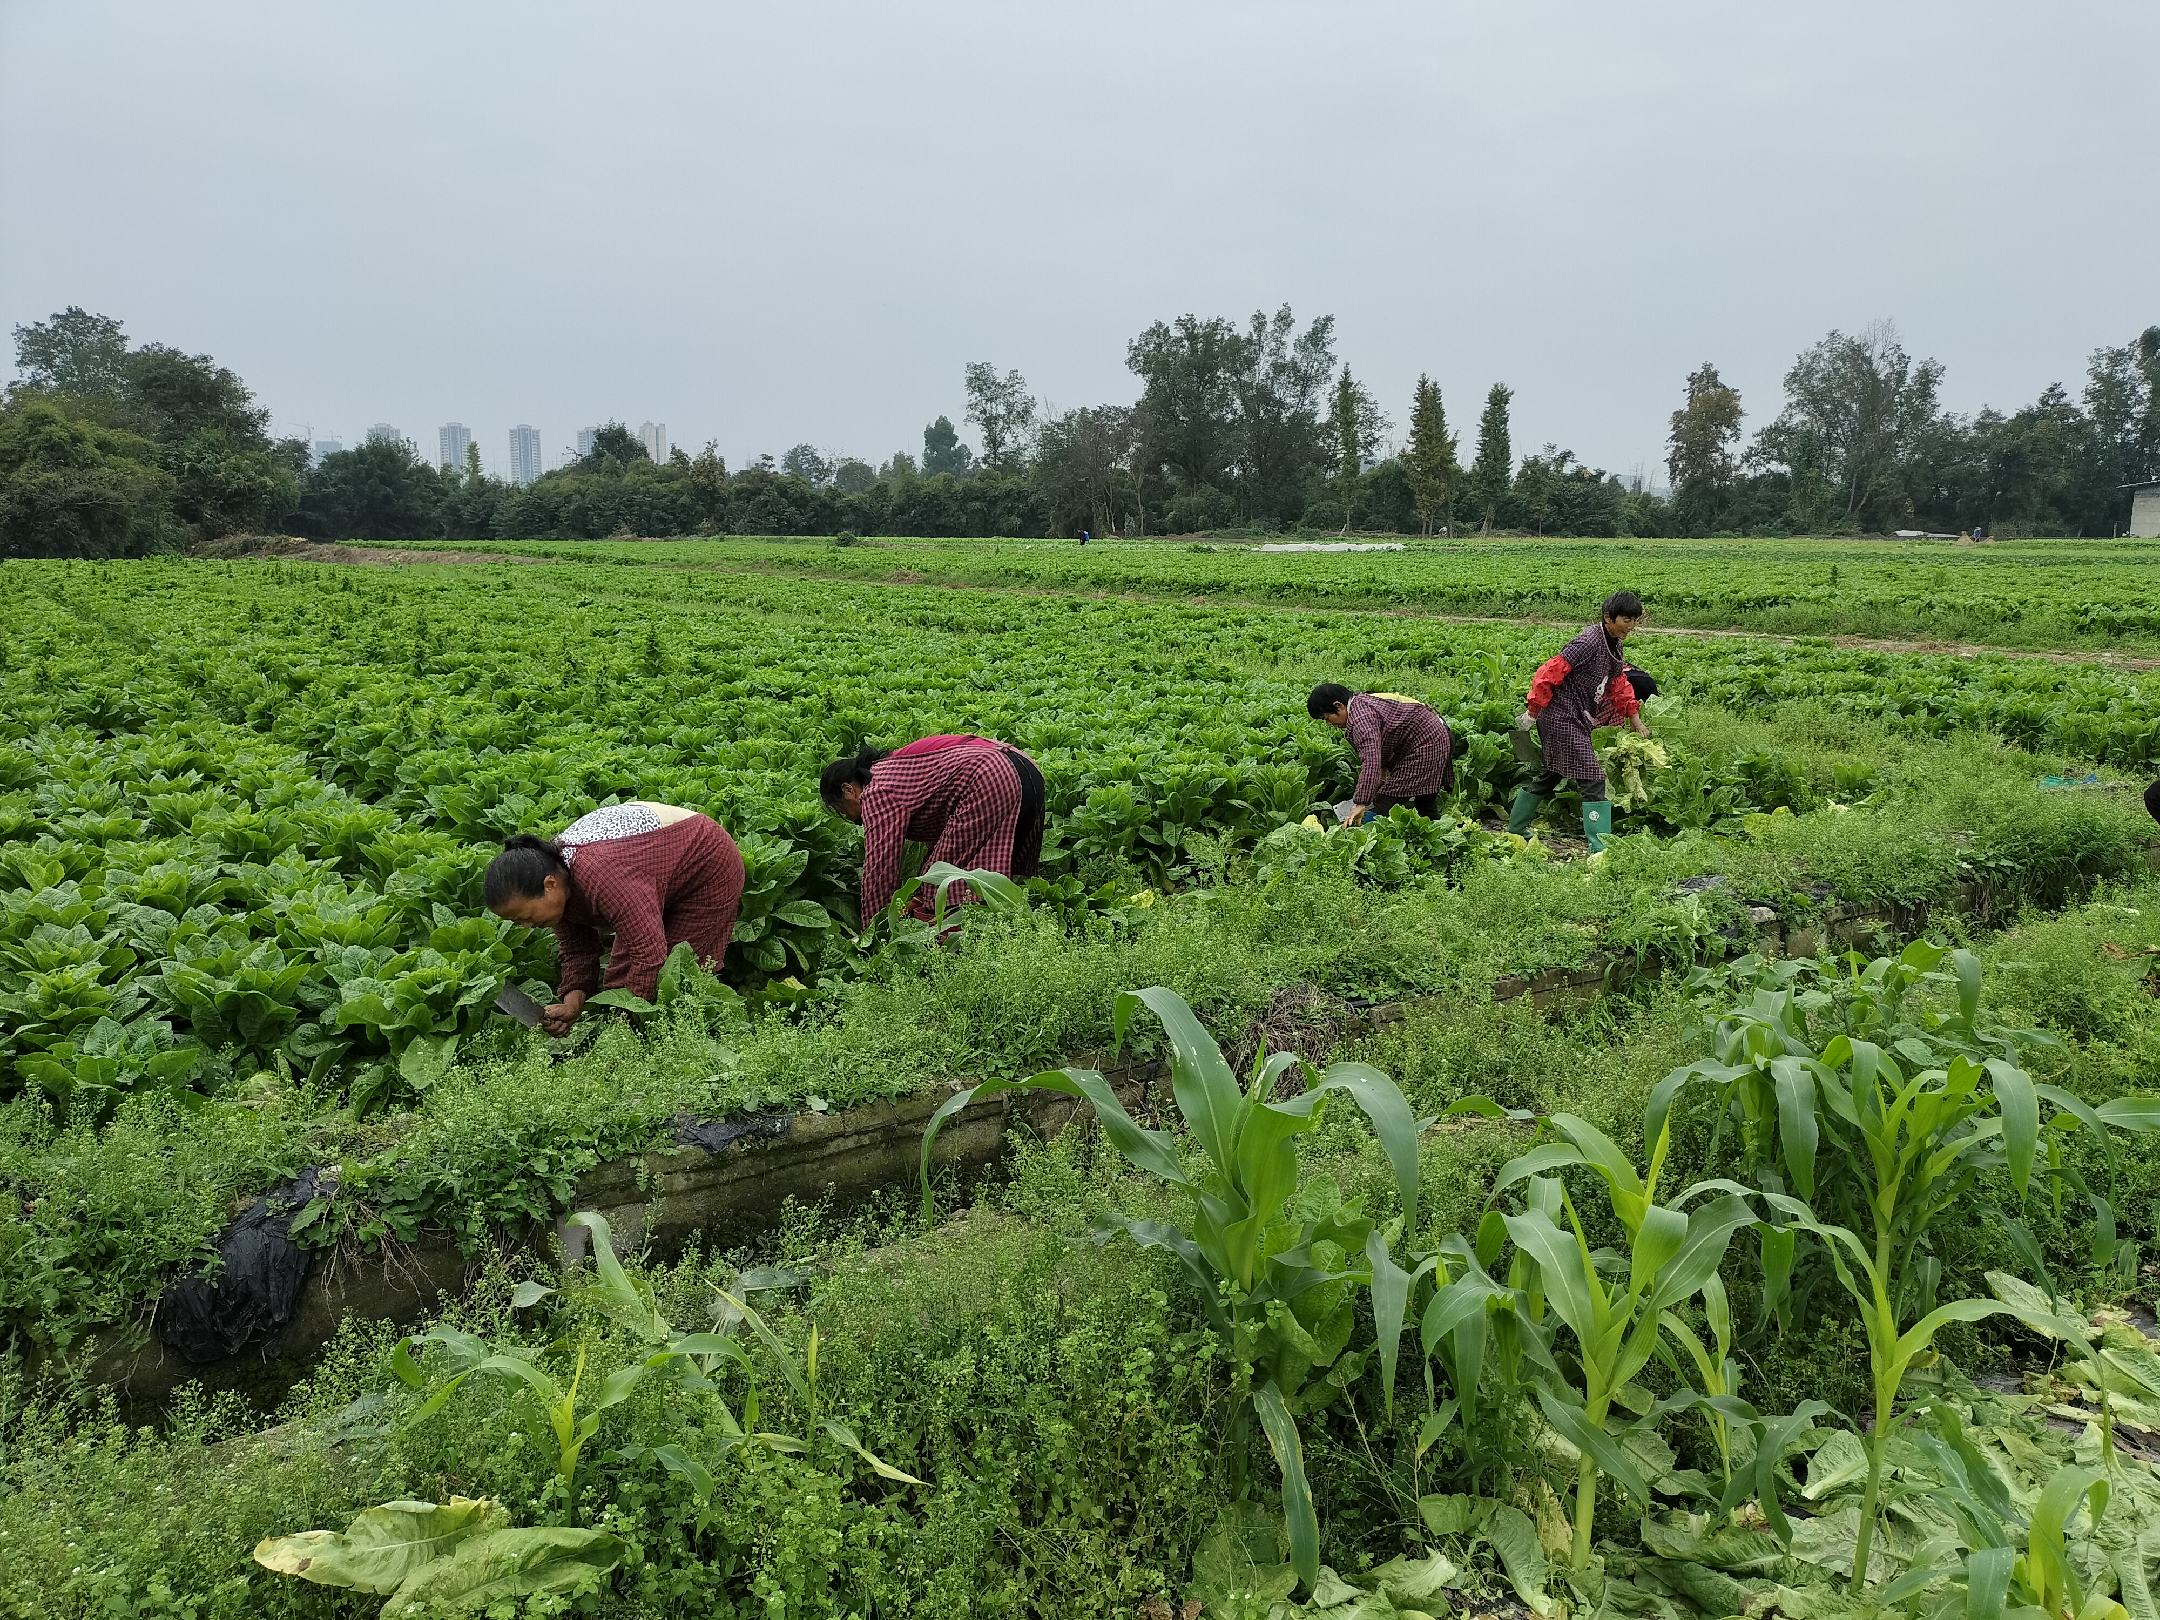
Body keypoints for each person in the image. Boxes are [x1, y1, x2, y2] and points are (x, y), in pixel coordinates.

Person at [484, 802, 744, 1035]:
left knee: (679, 975)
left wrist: (627, 1022)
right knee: (619, 979)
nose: (528, 926)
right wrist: (572, 1004)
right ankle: (634, 1035)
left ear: (549, 884)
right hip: (653, 874)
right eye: (518, 923)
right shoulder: (558, 877)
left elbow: (648, 955)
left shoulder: (602, 877)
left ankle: (671, 1040)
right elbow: (577, 951)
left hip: (707, 863)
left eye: (526, 917)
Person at [820, 734, 1045, 923]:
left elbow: (880, 867)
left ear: (849, 790)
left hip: (990, 773)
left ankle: (951, 945)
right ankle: (1021, 924)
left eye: (842, 810)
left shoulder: (876, 790)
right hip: (1026, 768)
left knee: (939, 882)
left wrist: (873, 929)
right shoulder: (894, 769)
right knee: (1003, 873)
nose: (848, 818)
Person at [1508, 591, 1651, 854]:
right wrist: (1533, 710)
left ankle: (1515, 828)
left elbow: (1619, 683)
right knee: (1593, 779)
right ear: (1608, 617)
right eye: (1626, 620)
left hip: (1576, 716)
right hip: (1560, 716)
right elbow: (1549, 672)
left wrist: (1635, 719)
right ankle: (1600, 850)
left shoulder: (1614, 643)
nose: (1631, 626)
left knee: (1552, 773)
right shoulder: (1588, 642)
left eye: (1635, 620)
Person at [1306, 684, 1455, 822]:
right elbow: (1383, 740)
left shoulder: (1361, 719)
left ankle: (1367, 835)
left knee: (1386, 801)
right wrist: (1382, 773)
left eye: (1327, 718)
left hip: (1427, 743)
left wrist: (1361, 802)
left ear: (1338, 706)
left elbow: (1371, 761)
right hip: (1435, 733)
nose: (1329, 724)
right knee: (1424, 802)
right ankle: (1439, 835)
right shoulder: (1360, 702)